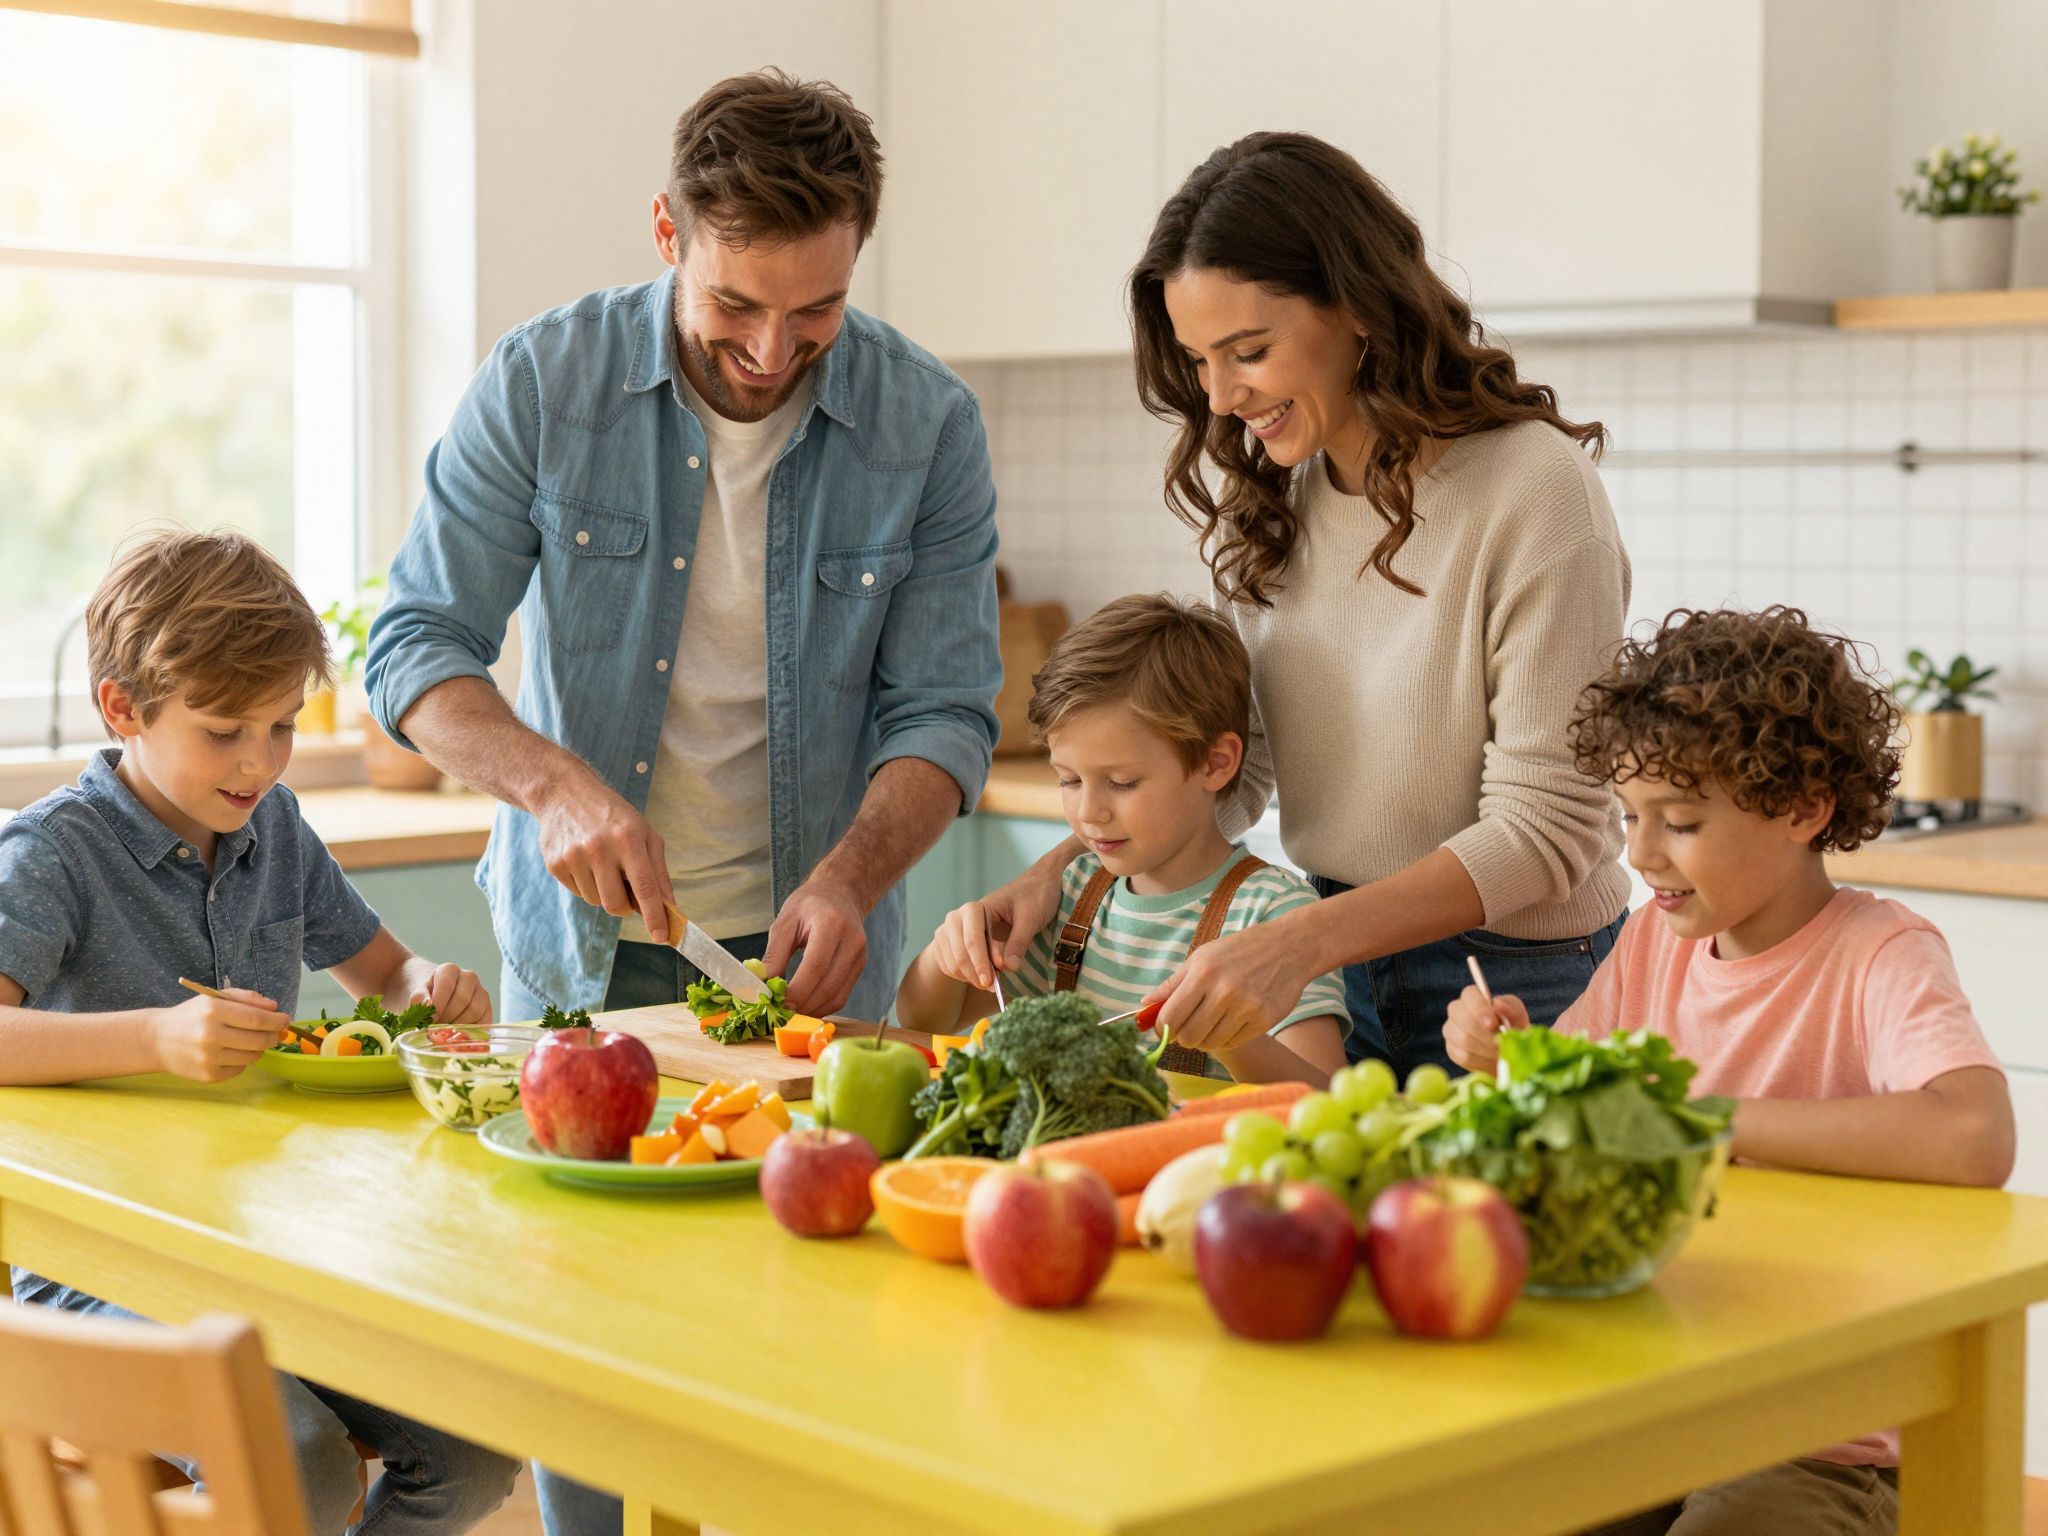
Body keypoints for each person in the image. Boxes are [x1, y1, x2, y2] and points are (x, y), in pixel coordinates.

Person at [969, 131, 1630, 1080]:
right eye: (1199, 360)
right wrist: (1054, 879)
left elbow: (1545, 830)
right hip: (1331, 965)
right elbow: (1230, 772)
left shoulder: (1533, 490)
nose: (1220, 397)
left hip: (1515, 983)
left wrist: (1302, 941)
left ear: (1358, 308)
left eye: (1249, 352)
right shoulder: (1273, 500)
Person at [365, 68, 1000, 1039]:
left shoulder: (928, 423)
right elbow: (415, 647)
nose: (772, 352)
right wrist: (556, 792)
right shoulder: (543, 382)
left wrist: (850, 880)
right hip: (574, 954)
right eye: (735, 304)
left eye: (816, 309)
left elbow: (944, 713)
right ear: (668, 232)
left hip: (810, 963)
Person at [1445, 606, 2014, 1536]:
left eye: (1680, 822)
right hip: (1670, 1397)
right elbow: (1578, 1113)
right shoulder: (1650, 944)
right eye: (1631, 818)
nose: (1640, 854)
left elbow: (1974, 1135)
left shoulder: (1881, 954)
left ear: (1804, 809)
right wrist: (1502, 1060)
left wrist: (1699, 1118)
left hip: (1828, 1437)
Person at [0, 528, 515, 1534]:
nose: (259, 762)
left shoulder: (272, 829)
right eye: (224, 730)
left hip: (265, 1255)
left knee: (476, 1447)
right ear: (122, 708)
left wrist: (429, 988)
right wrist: (155, 1039)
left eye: (281, 727)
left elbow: (386, 972)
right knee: (299, 1463)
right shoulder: (51, 854)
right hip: (98, 1273)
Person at [898, 593, 1347, 1085]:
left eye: (1122, 782)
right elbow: (923, 1017)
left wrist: (1231, 1036)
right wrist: (947, 954)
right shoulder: (1073, 894)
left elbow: (1323, 1097)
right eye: (1069, 780)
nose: (1088, 811)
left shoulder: (1274, 913)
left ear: (1215, 763)